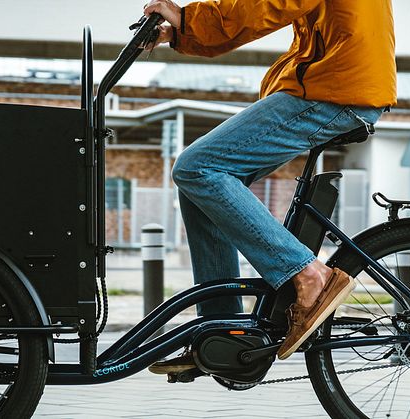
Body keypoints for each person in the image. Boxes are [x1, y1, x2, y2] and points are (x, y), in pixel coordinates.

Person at [140, 0, 397, 373]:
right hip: (336, 81)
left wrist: (189, 19)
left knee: (197, 168)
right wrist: (182, 30)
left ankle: (309, 274)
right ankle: (223, 334)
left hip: (336, 88)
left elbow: (270, 5)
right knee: (201, 187)